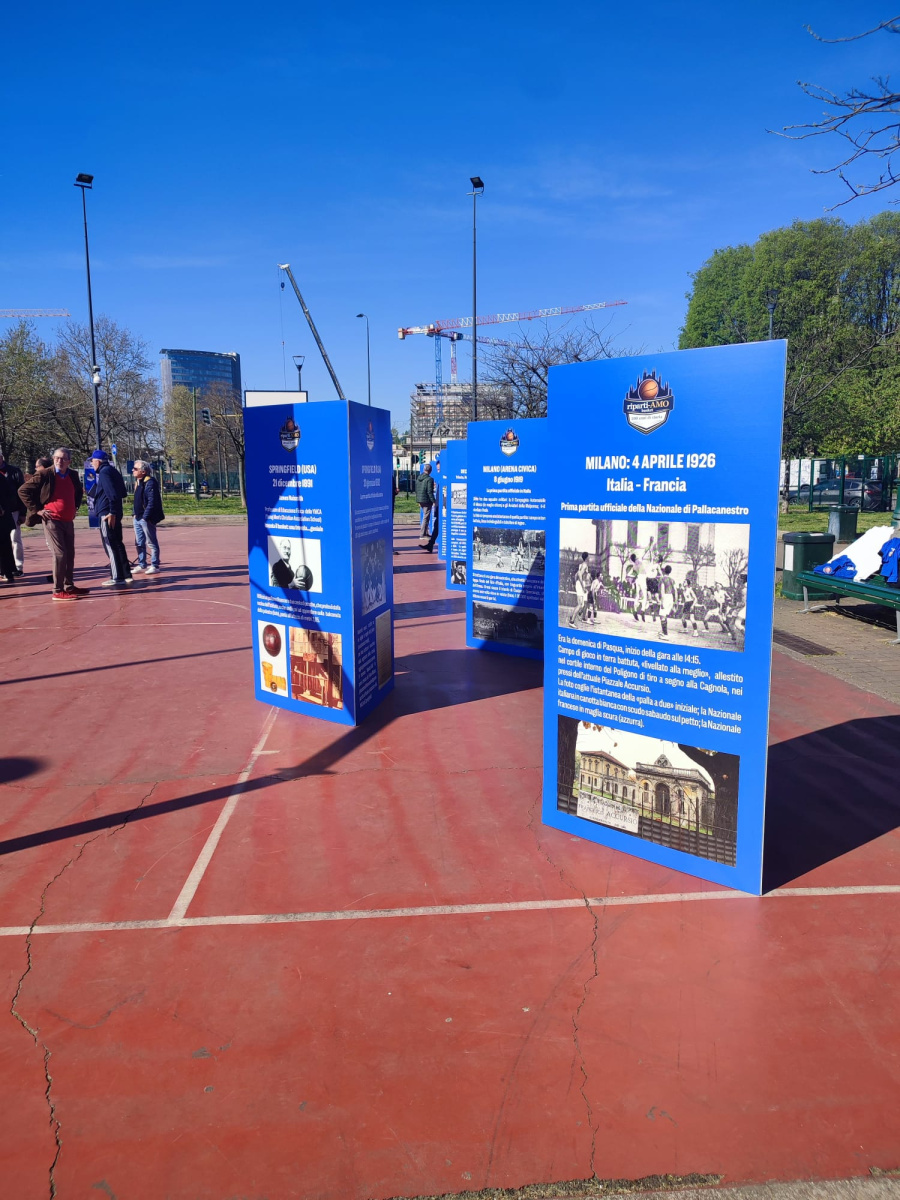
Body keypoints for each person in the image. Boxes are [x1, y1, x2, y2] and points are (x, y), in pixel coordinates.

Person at [18, 448, 88, 599]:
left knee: (70, 554)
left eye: (63, 459)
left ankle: (69, 586)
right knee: (60, 554)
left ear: (69, 461)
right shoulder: (45, 474)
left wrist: (75, 506)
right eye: (57, 458)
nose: (59, 461)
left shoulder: (73, 475)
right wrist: (37, 510)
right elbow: (23, 490)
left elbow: (78, 491)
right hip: (52, 519)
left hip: (68, 519)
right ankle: (57, 590)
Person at [90, 450, 132, 587]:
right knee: (117, 543)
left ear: (98, 461)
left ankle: (116, 576)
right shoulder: (113, 471)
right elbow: (122, 492)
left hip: (107, 513)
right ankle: (126, 574)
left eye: (92, 460)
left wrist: (112, 512)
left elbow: (112, 494)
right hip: (112, 512)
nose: (91, 463)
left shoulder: (104, 472)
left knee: (110, 544)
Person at [131, 460, 164, 574]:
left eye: (135, 469)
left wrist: (145, 517)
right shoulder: (138, 482)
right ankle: (142, 564)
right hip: (137, 517)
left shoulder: (150, 482)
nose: (132, 470)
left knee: (151, 541)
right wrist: (134, 514)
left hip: (145, 518)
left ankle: (155, 565)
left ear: (143, 471)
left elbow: (152, 501)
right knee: (139, 542)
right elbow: (136, 500)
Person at [0, 449, 25, 575]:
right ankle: (4, 568)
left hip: (13, 510)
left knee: (15, 538)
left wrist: (23, 513)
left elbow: (22, 492)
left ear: (1, 457)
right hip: (1, 512)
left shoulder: (14, 471)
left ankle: (18, 566)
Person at [568, 552, 591, 627]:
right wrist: (582, 586)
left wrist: (576, 583)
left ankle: (573, 616)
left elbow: (576, 574)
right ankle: (571, 622)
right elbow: (579, 575)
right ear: (587, 557)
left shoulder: (581, 565)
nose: (589, 558)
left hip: (581, 584)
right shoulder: (584, 565)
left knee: (583, 604)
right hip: (581, 584)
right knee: (580, 604)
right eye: (589, 556)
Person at [415, 463, 435, 541]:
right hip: (426, 500)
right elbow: (429, 491)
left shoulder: (419, 478)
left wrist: (418, 500)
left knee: (425, 516)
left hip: (420, 499)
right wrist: (433, 501)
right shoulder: (429, 479)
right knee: (426, 517)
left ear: (424, 470)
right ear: (430, 470)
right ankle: (422, 534)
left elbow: (416, 489)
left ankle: (425, 533)